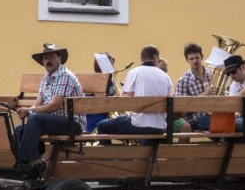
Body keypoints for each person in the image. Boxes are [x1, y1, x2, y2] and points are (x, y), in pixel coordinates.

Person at [14, 43, 85, 175]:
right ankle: (25, 165)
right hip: (54, 122)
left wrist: (31, 112)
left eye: (52, 57)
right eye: (45, 58)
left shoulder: (64, 75)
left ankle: (32, 162)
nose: (48, 60)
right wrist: (27, 111)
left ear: (60, 58)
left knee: (34, 119)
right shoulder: (46, 78)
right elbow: (38, 104)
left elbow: (55, 105)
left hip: (72, 123)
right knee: (19, 130)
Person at [96, 45, 172, 143]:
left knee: (102, 126)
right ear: (156, 58)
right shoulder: (166, 77)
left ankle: (107, 156)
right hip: (160, 127)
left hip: (139, 125)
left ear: (142, 58)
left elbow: (127, 100)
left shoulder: (134, 72)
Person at [174, 42, 214, 132]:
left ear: (202, 56)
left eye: (197, 57)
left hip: (213, 114)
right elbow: (180, 111)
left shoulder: (212, 75)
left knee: (232, 125)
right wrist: (204, 95)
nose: (195, 61)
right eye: (191, 59)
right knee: (221, 127)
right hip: (195, 119)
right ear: (187, 60)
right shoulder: (183, 81)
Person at [86, 52, 117, 134]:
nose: (113, 68)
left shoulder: (110, 81)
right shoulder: (96, 80)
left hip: (107, 117)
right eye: (111, 65)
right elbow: (102, 103)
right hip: (96, 118)